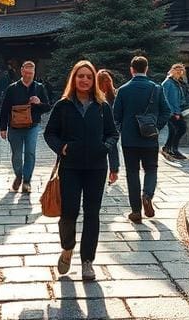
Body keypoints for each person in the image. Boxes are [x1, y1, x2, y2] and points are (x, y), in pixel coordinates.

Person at [44, 60, 119, 282]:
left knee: (92, 214)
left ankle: (88, 261)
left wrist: (105, 148)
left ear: (94, 79)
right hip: (71, 167)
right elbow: (50, 133)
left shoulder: (102, 105)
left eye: (88, 76)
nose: (84, 80)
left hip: (96, 167)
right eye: (80, 76)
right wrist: (61, 147)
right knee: (69, 212)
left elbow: (113, 134)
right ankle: (67, 248)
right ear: (74, 79)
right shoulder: (63, 105)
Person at [112, 55, 170, 223]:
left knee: (132, 173)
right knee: (151, 169)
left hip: (129, 140)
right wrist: (156, 127)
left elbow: (117, 116)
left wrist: (124, 129)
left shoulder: (123, 90)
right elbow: (166, 111)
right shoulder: (156, 88)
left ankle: (136, 211)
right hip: (150, 138)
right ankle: (148, 195)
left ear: (131, 70)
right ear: (146, 68)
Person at [0, 60, 51, 193]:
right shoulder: (12, 88)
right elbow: (4, 109)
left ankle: (27, 181)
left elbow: (47, 107)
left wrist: (39, 103)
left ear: (34, 73)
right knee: (16, 155)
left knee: (30, 153)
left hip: (32, 126)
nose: (28, 75)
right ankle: (18, 175)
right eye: (26, 72)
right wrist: (3, 128)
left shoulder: (39, 87)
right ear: (22, 71)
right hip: (14, 127)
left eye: (31, 73)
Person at [161, 63, 189, 161]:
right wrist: (174, 113)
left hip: (177, 110)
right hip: (171, 112)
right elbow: (164, 99)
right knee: (182, 128)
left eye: (181, 71)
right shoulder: (167, 82)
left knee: (173, 131)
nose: (179, 73)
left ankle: (167, 148)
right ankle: (174, 150)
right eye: (177, 70)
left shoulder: (177, 82)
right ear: (172, 71)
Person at [96, 68, 120, 171]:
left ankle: (113, 169)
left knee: (110, 147)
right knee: (112, 147)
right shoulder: (115, 94)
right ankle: (114, 169)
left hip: (103, 126)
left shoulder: (96, 95)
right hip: (111, 126)